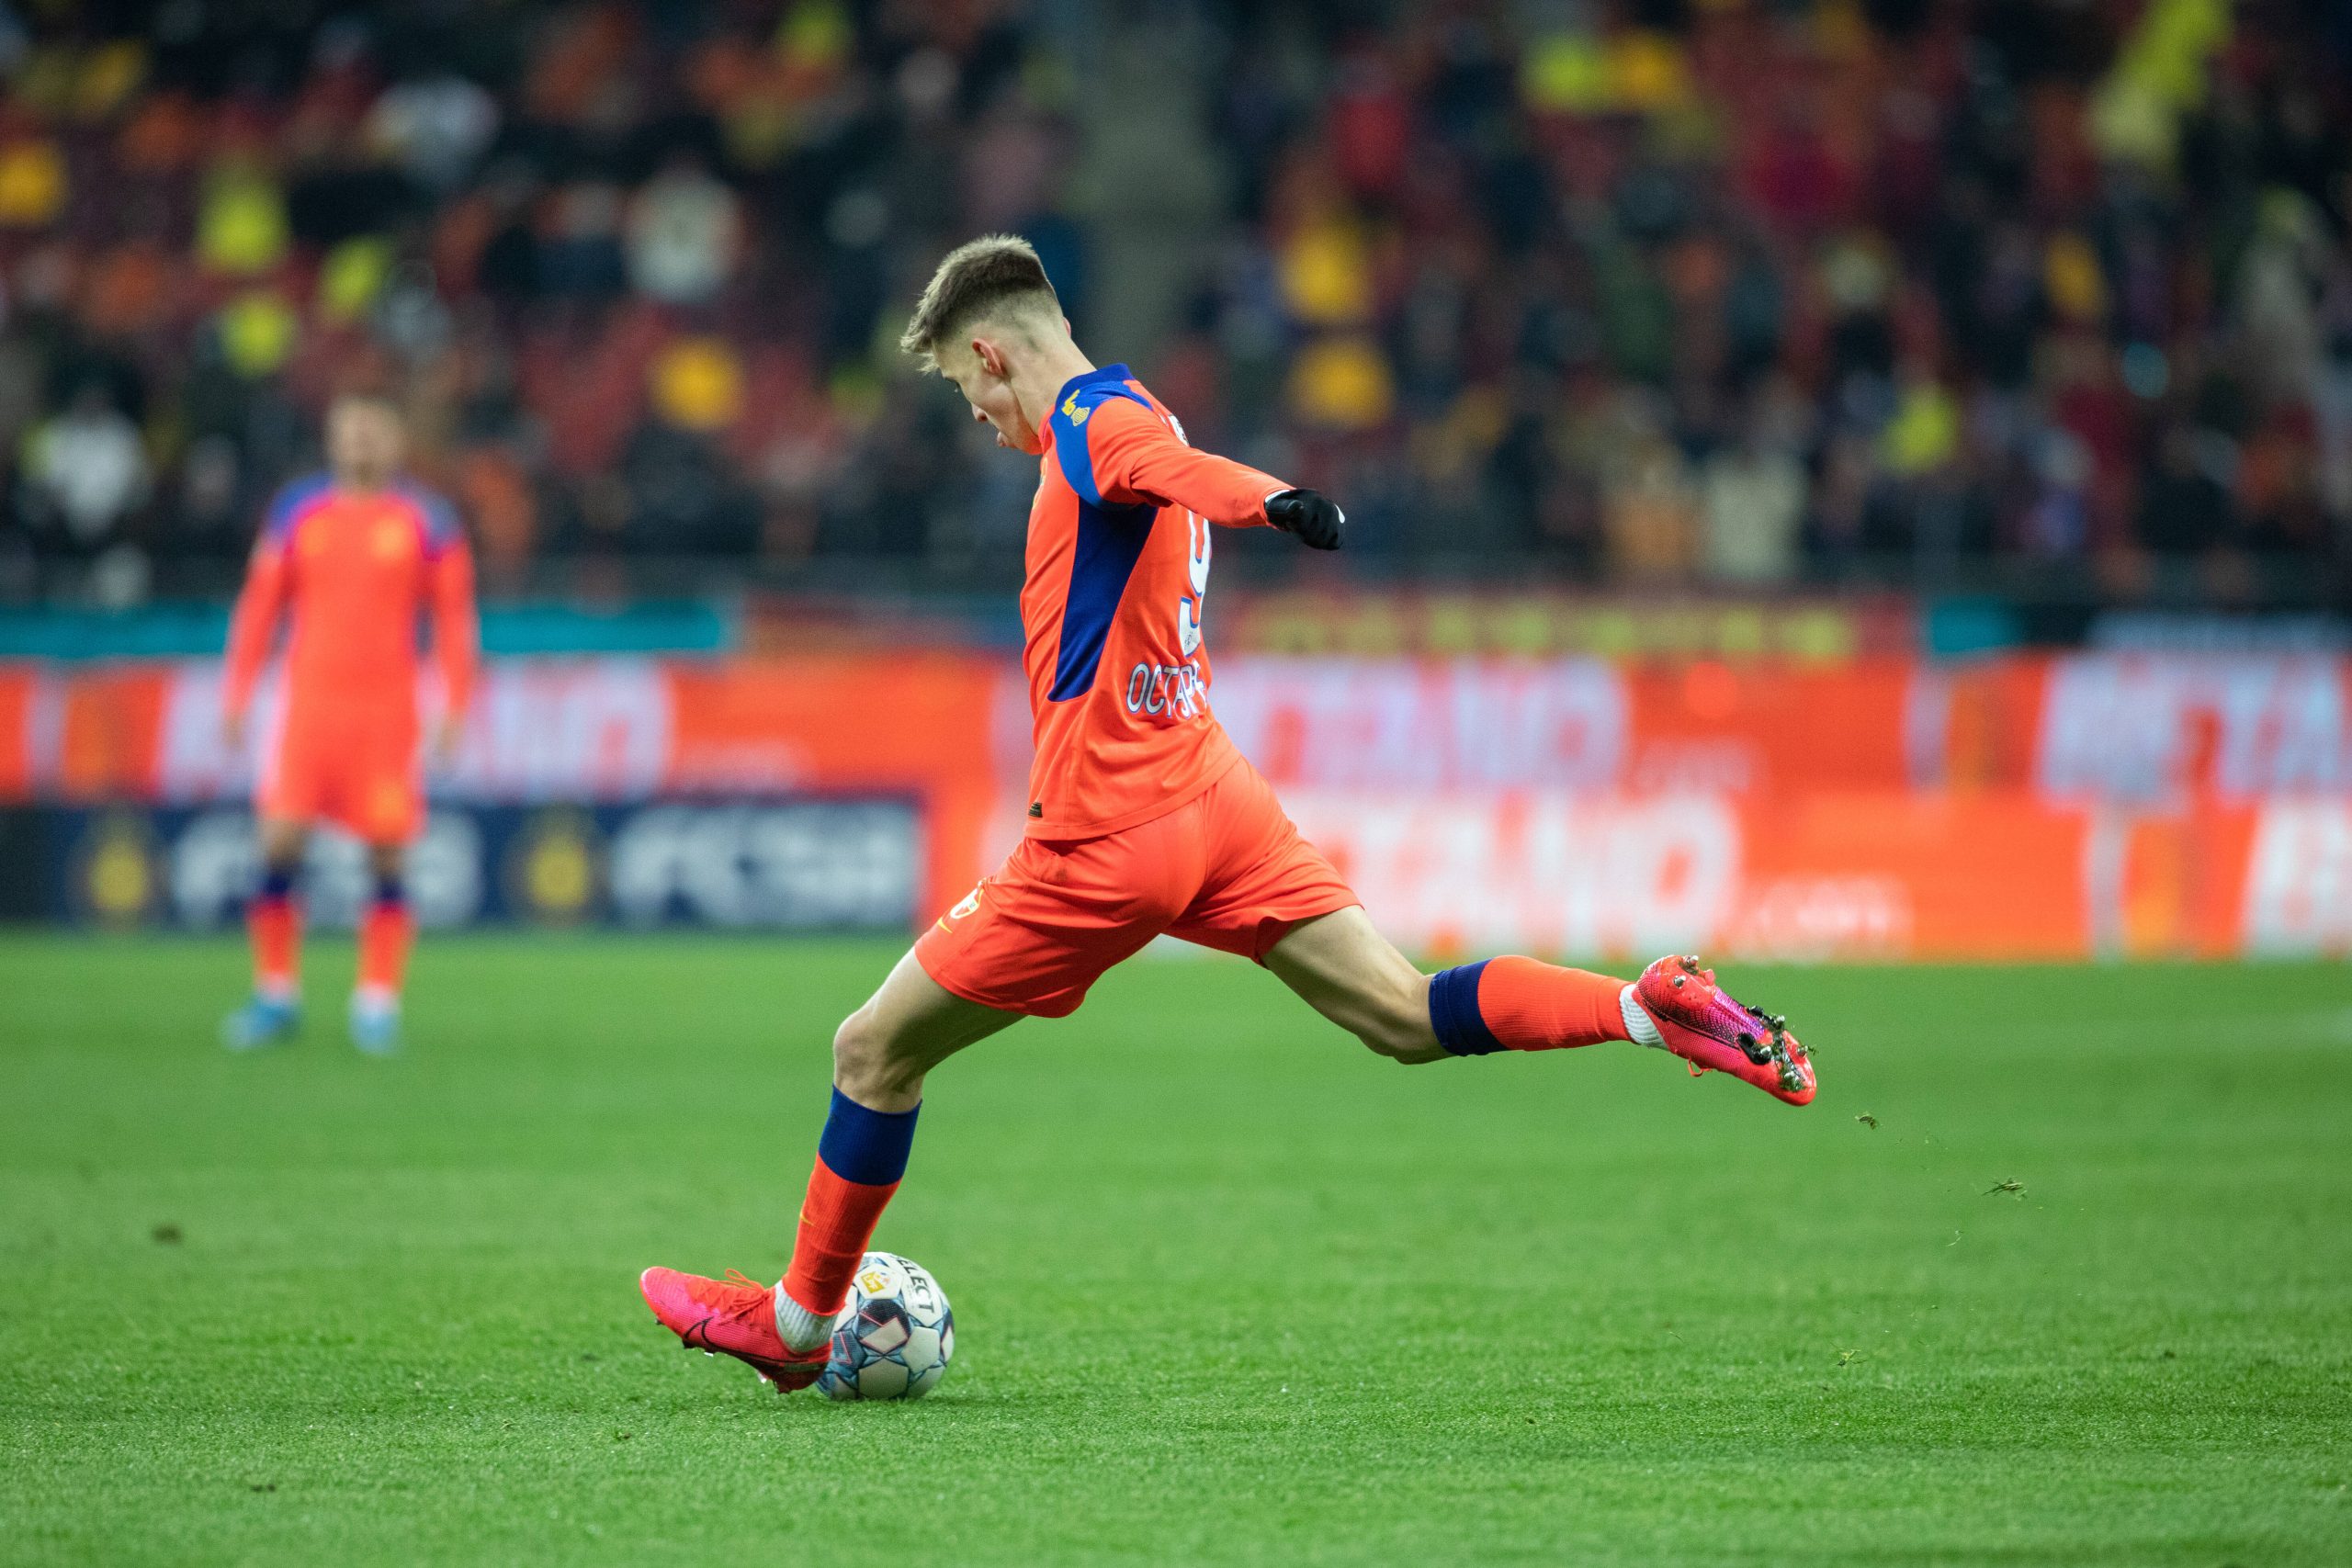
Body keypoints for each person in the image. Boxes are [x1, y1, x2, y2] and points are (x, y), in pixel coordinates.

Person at [639, 237, 1815, 1388]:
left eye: (963, 389)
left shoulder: (1089, 425)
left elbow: (1170, 470)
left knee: (871, 1050)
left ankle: (798, 1327)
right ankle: (1645, 1008)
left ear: (992, 355)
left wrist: (1276, 503)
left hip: (1108, 832)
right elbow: (1168, 461)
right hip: (1212, 796)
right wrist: (1261, 498)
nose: (979, 420)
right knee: (1402, 1012)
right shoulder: (1137, 403)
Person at [218, 393, 479, 1054]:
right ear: (332, 439)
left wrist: (455, 702)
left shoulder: (428, 520)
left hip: (387, 713)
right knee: (279, 841)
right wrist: (238, 690)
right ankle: (276, 993)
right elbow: (261, 607)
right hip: (310, 707)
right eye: (350, 428)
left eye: (373, 428)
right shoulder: (296, 511)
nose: (361, 439)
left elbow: (454, 619)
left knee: (387, 852)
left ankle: (377, 1002)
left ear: (396, 441)